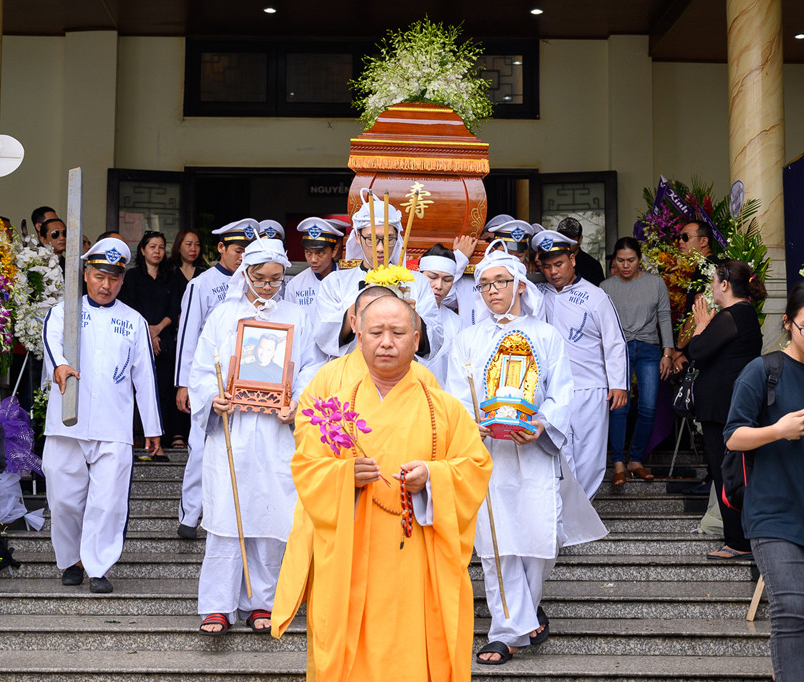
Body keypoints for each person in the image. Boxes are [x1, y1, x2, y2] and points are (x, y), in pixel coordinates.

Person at [275, 293, 491, 681]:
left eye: (397, 332)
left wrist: (432, 476)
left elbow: (475, 467)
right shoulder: (334, 411)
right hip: (351, 552)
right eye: (376, 331)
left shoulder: (445, 408)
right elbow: (306, 469)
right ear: (359, 335)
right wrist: (344, 477)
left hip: (417, 557)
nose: (386, 342)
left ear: (416, 337)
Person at [447, 245, 606, 665]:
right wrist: (472, 425)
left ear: (519, 285)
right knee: (497, 543)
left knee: (539, 540)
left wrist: (541, 426)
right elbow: (457, 394)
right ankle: (505, 631)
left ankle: (524, 613)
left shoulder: (546, 335)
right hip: (488, 455)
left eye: (499, 282)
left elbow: (562, 392)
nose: (491, 291)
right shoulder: (468, 338)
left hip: (536, 452)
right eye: (483, 284)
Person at [724, 280, 804, 682]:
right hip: (775, 512)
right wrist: (776, 430)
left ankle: (788, 667)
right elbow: (732, 436)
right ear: (788, 324)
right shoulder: (763, 371)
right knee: (792, 608)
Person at [190, 237, 320, 636]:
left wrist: (297, 403)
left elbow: (311, 368)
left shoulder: (299, 316)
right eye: (260, 279)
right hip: (234, 429)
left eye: (275, 280)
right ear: (245, 274)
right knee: (227, 518)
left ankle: (263, 601)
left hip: (276, 432)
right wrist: (214, 397)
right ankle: (217, 605)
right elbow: (201, 369)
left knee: (270, 517)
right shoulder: (223, 316)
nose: (267, 287)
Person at [41, 237, 162, 594]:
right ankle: (70, 558)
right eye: (99, 276)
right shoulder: (65, 311)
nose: (105, 285)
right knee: (63, 497)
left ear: (122, 280)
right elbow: (52, 342)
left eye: (113, 278)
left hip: (114, 425)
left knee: (107, 500)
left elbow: (145, 377)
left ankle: (97, 565)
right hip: (67, 422)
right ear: (86, 274)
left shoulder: (134, 321)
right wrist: (61, 366)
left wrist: (152, 427)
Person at [174, 219, 257, 539]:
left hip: (246, 379)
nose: (243, 257)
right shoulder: (202, 284)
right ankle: (190, 514)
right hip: (209, 378)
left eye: (248, 251)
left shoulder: (255, 284)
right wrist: (184, 383)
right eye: (238, 250)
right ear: (221, 248)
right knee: (200, 447)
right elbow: (188, 335)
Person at [534, 229, 628, 499]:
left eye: (559, 264)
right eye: (547, 266)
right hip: (550, 389)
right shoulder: (537, 294)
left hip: (589, 386)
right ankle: (562, 510)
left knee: (589, 453)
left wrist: (618, 384)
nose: (553, 272)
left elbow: (614, 342)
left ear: (573, 259)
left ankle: (582, 507)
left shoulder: (594, 295)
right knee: (556, 449)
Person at [682, 259, 766, 559]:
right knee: (729, 471)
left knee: (727, 473)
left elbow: (696, 351)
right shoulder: (743, 314)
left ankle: (738, 542)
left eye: (715, 281)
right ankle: (739, 538)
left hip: (725, 408)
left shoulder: (732, 315)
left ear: (725, 284)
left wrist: (701, 326)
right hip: (729, 405)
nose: (713, 287)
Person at [312, 191, 441, 360]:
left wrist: (411, 316)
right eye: (372, 239)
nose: (380, 248)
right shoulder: (335, 282)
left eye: (388, 239)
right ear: (358, 236)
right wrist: (359, 308)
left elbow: (436, 341)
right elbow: (323, 336)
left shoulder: (417, 282)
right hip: (352, 377)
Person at [600, 237, 674, 485]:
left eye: (630, 260)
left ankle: (636, 459)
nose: (625, 265)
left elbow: (664, 318)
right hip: (618, 350)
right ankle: (618, 462)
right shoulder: (605, 287)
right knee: (619, 407)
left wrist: (668, 352)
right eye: (620, 260)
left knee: (648, 406)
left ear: (640, 260)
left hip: (649, 349)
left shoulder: (655, 283)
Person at [118, 230, 177, 461]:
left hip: (164, 341)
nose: (157, 251)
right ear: (142, 250)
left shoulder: (171, 276)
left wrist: (157, 330)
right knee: (135, 389)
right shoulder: (131, 277)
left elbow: (174, 308)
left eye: (161, 247)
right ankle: (135, 441)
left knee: (160, 391)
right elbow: (129, 307)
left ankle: (159, 444)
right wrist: (146, 334)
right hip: (136, 339)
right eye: (152, 246)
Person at [447, 215, 535, 328]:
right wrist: (459, 260)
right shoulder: (468, 279)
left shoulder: (524, 282)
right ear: (492, 250)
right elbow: (443, 299)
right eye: (507, 253)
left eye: (519, 256)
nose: (513, 260)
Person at [167, 228, 208, 448]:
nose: (193, 249)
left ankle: (189, 432)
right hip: (174, 336)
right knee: (177, 385)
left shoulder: (205, 273)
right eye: (188, 244)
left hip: (199, 341)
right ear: (179, 246)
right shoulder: (170, 272)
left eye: (197, 244)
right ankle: (175, 433)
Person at [672, 220, 720, 372]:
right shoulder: (704, 266)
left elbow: (699, 310)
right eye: (679, 237)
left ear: (703, 241)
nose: (680, 242)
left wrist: (678, 348)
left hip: (703, 350)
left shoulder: (708, 267)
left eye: (685, 237)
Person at [416, 243, 464, 385]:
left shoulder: (456, 323)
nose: (439, 285)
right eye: (432, 277)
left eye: (447, 280)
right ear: (419, 274)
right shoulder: (400, 312)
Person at [283, 217, 346, 313]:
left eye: (320, 253)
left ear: (334, 250)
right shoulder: (295, 285)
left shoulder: (347, 280)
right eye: (308, 252)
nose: (313, 260)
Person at [555, 216, 605, 286]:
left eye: (571, 237)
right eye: (563, 237)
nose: (567, 241)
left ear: (580, 239)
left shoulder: (592, 265)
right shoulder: (551, 261)